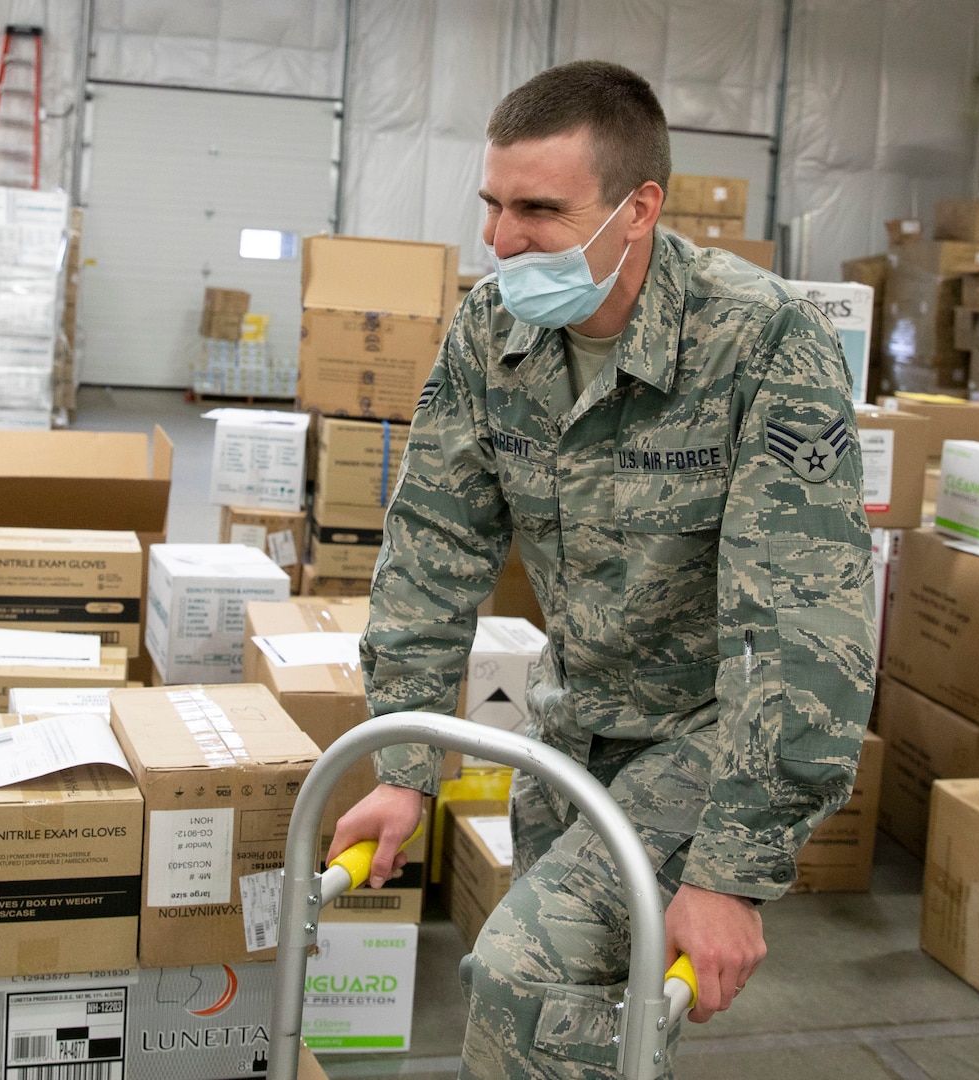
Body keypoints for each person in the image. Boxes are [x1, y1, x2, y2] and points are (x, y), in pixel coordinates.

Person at [328, 60, 876, 1079]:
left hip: (711, 737)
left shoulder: (760, 341)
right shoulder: (492, 332)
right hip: (571, 732)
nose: (500, 240)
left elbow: (803, 622)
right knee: (592, 1025)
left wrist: (734, 867)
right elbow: (432, 550)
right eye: (491, 205)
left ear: (639, 209)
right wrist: (404, 768)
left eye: (539, 209)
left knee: (519, 981)